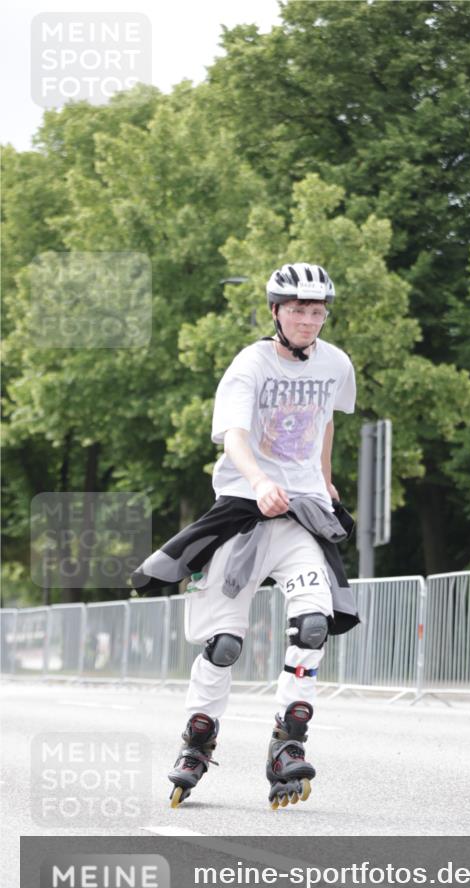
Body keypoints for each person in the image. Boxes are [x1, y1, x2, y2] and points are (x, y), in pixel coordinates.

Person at [164, 262, 358, 809]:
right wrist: (258, 481)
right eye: (297, 310)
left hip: (300, 516)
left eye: (316, 311)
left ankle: (287, 742)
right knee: (224, 644)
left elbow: (325, 421)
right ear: (275, 311)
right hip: (244, 513)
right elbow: (233, 435)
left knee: (313, 625)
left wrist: (323, 481)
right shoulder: (250, 364)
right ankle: (197, 741)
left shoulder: (336, 364)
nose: (308, 320)